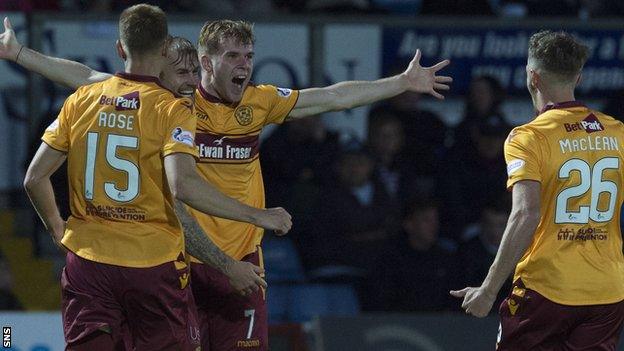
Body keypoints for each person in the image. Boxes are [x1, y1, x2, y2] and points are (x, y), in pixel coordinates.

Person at [4, 18, 452, 350]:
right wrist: (21, 55)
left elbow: (331, 97)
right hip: (183, 262)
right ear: (205, 63)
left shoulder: (258, 105)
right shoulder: (170, 104)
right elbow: (86, 77)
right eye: (233, 57)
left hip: (243, 264)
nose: (245, 66)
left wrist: (399, 83)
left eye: (249, 56)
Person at [21, 5, 291, 350]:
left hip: (88, 261)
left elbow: (33, 178)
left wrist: (59, 232)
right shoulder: (172, 109)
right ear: (165, 50)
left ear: (120, 49)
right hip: (151, 265)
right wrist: (259, 216)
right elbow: (183, 186)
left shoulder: (82, 99)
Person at [450, 30, 624, 350]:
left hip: (548, 288)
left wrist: (489, 290)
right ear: (579, 77)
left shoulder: (529, 137)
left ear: (532, 76)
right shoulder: (617, 132)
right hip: (608, 291)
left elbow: (525, 214)